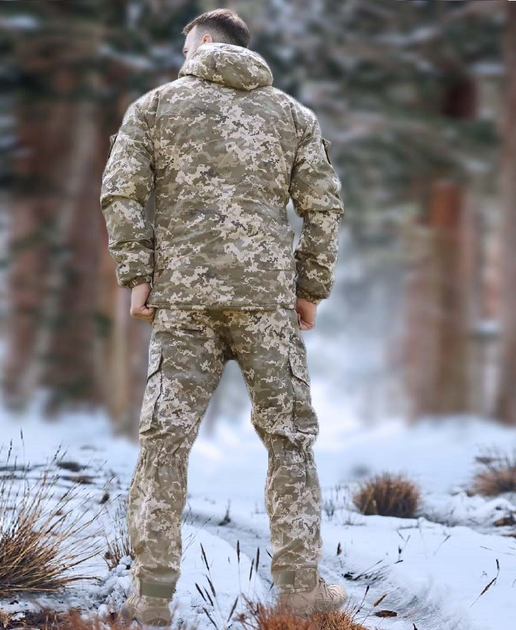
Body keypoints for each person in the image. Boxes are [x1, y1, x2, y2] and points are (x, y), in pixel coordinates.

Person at [100, 8, 346, 626]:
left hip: (182, 303)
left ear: (204, 42)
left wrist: (138, 277)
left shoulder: (154, 107)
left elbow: (121, 193)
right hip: (267, 304)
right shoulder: (292, 115)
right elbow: (323, 207)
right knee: (290, 444)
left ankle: (151, 598)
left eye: (185, 43)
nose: (182, 52)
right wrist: (309, 287)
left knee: (164, 444)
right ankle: (299, 591)